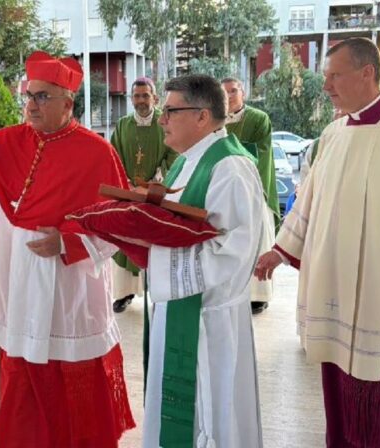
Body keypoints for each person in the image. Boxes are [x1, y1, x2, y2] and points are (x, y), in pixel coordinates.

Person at [0, 51, 135, 447]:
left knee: (76, 402)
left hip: (71, 296)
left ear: (68, 104)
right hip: (20, 289)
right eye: (29, 95)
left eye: (43, 97)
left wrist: (70, 242)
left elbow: (120, 224)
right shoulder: (8, 143)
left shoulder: (97, 153)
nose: (31, 104)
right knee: (24, 400)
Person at [255, 38, 380, 447]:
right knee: (339, 381)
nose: (326, 86)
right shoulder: (332, 133)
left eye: (334, 76)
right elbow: (309, 197)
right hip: (336, 288)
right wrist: (281, 248)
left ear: (367, 73)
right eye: (325, 77)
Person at [140, 74, 263, 447]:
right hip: (180, 310)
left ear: (202, 116)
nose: (162, 118)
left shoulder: (230, 167)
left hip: (210, 323)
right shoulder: (186, 162)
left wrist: (160, 256)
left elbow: (234, 252)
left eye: (170, 110)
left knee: (213, 414)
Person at [109, 77, 177, 313]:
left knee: (154, 242)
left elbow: (174, 153)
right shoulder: (122, 125)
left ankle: (157, 293)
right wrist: (125, 183)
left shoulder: (165, 122)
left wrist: (155, 181)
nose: (141, 101)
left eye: (145, 95)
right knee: (125, 242)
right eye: (136, 96)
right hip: (127, 193)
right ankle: (123, 293)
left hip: (155, 194)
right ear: (131, 99)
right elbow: (113, 156)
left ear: (154, 97)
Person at [221, 76, 277, 314]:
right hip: (225, 188)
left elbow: (262, 152)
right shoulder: (216, 120)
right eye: (224, 93)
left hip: (253, 186)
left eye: (233, 91)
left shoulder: (258, 119)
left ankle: (258, 294)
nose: (229, 96)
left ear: (243, 93)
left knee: (258, 238)